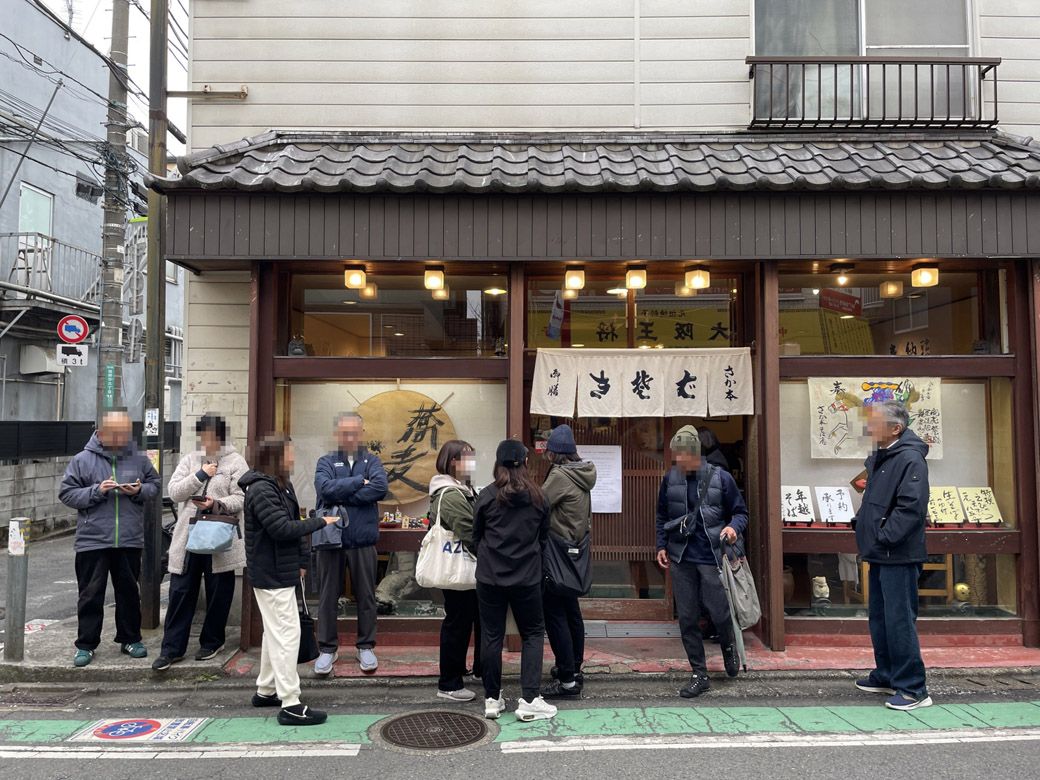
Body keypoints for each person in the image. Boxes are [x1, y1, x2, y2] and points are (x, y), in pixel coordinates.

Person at [240, 434, 338, 726]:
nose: (293, 457)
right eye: (289, 452)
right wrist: (321, 522)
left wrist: (302, 562)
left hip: (281, 570)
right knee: (287, 634)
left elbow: (292, 525)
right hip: (270, 573)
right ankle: (291, 703)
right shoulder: (261, 489)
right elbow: (282, 529)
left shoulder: (281, 485)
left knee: (275, 633)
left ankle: (266, 689)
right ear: (275, 457)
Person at [59, 409, 161, 668]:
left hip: (128, 537)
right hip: (92, 539)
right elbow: (67, 494)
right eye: (117, 434)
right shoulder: (82, 460)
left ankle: (130, 639)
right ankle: (86, 644)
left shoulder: (138, 459)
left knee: (128, 592)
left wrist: (138, 490)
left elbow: (155, 486)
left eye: (125, 434)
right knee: (90, 594)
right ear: (101, 433)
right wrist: (97, 491)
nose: (122, 439)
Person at [655, 425, 748, 698]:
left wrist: (732, 527)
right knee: (687, 617)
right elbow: (662, 515)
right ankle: (699, 673)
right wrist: (661, 545)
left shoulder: (721, 478)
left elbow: (741, 512)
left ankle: (728, 646)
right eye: (677, 455)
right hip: (681, 557)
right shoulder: (670, 479)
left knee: (719, 613)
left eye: (684, 454)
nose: (680, 460)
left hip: (711, 556)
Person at [153, 414, 249, 671]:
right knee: (181, 590)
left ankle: (212, 642)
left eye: (211, 437)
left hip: (220, 535)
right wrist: (199, 474)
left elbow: (242, 498)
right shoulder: (190, 459)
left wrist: (216, 503)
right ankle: (171, 649)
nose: (206, 442)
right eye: (203, 436)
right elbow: (174, 492)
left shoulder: (236, 462)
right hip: (189, 536)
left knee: (219, 591)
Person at [853, 401, 932, 711]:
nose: (868, 427)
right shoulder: (883, 456)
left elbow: (911, 508)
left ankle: (913, 688)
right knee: (881, 618)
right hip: (880, 552)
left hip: (898, 553)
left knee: (899, 621)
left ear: (895, 428)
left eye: (874, 422)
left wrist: (883, 536)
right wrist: (864, 526)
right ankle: (886, 674)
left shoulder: (910, 459)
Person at [473, 439, 556, 722]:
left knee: (491, 635)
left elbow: (476, 536)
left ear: (498, 464)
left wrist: (490, 556)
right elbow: (543, 537)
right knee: (532, 634)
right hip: (527, 576)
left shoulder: (486, 496)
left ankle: (491, 699)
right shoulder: (539, 497)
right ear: (526, 463)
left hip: (490, 576)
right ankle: (530, 699)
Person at [312, 412, 389, 675]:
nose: (350, 437)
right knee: (327, 597)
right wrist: (358, 483)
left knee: (366, 596)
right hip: (330, 539)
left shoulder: (372, 461)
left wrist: (341, 492)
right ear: (337, 434)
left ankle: (366, 646)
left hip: (363, 539)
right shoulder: (326, 461)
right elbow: (324, 490)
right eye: (345, 433)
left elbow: (380, 488)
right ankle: (327, 649)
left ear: (362, 433)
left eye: (355, 432)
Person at [538, 424, 596, 700]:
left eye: (547, 449)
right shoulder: (582, 472)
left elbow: (539, 504)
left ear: (555, 452)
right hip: (574, 549)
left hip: (557, 552)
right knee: (571, 611)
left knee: (555, 613)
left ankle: (567, 680)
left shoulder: (560, 475)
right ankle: (573, 666)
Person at [429, 439, 481, 702]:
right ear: (453, 462)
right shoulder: (450, 494)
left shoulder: (463, 489)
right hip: (458, 569)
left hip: (463, 568)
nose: (472, 463)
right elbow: (469, 531)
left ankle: (459, 670)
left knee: (463, 619)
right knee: (457, 623)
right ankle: (449, 683)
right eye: (467, 458)